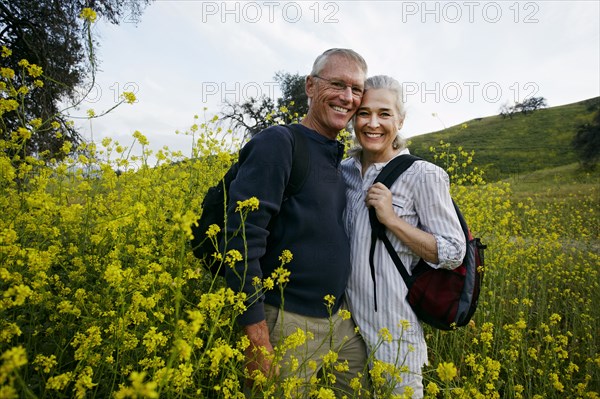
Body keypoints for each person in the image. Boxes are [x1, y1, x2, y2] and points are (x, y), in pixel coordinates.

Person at [223, 48, 370, 397]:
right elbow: (241, 240)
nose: (347, 98)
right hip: (285, 321)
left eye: (356, 89)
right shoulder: (280, 143)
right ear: (310, 86)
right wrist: (257, 340)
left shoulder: (341, 159)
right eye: (336, 84)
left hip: (340, 321)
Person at [341, 75, 466, 398]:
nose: (373, 123)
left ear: (400, 119)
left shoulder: (423, 174)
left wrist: (392, 220)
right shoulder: (344, 172)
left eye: (384, 114)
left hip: (395, 332)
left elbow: (453, 251)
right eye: (364, 113)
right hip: (343, 330)